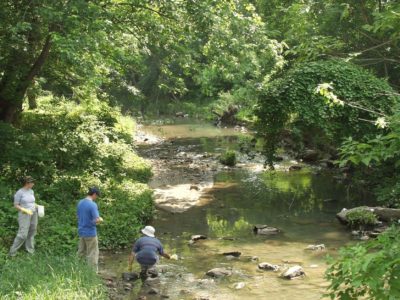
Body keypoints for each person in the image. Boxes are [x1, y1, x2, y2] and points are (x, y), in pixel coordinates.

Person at [9, 176, 40, 256]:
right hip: (24, 214)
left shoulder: (31, 191)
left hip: (33, 213)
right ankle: (12, 253)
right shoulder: (20, 192)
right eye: (32, 182)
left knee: (32, 231)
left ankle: (30, 250)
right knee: (23, 234)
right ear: (27, 183)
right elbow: (16, 205)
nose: (33, 184)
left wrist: (37, 205)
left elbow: (32, 202)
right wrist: (24, 210)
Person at [77, 187, 103, 271]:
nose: (96, 198)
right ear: (94, 194)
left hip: (81, 231)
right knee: (93, 254)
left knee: (81, 252)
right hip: (90, 233)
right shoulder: (92, 205)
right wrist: (100, 220)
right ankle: (92, 274)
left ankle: (78, 270)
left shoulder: (80, 202)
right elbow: (97, 220)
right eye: (97, 196)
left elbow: (78, 216)